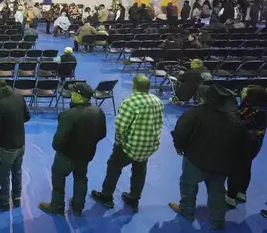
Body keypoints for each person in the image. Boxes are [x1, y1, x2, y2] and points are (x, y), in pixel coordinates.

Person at [169, 85, 246, 230]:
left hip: (195, 160)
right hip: (222, 165)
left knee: (188, 186)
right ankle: (217, 221)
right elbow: (241, 148)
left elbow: (180, 134)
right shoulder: (236, 122)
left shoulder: (193, 114)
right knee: (217, 191)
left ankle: (187, 211)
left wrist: (179, 147)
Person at [91, 75, 163, 212]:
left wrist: (119, 143)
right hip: (148, 146)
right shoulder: (157, 101)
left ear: (134, 86)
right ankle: (133, 199)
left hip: (129, 145)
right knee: (139, 172)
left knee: (113, 168)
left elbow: (120, 127)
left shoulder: (130, 102)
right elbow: (159, 124)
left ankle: (106, 196)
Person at [39, 83, 106, 216]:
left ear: (77, 95)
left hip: (66, 156)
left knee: (58, 180)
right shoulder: (98, 111)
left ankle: (57, 207)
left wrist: (62, 149)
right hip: (86, 155)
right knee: (81, 179)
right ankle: (78, 207)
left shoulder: (67, 115)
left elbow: (57, 142)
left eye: (73, 93)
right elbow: (102, 134)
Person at [0, 79, 31, 211]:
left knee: (4, 174)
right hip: (21, 143)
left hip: (7, 147)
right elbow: (27, 117)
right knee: (17, 172)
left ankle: (4, 201)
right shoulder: (19, 97)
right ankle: (17, 198)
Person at [226, 85, 267, 206]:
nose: (242, 93)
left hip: (244, 144)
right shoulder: (256, 107)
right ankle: (241, 192)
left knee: (236, 170)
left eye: (245, 92)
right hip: (253, 145)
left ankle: (230, 197)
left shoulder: (255, 112)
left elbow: (239, 123)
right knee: (246, 167)